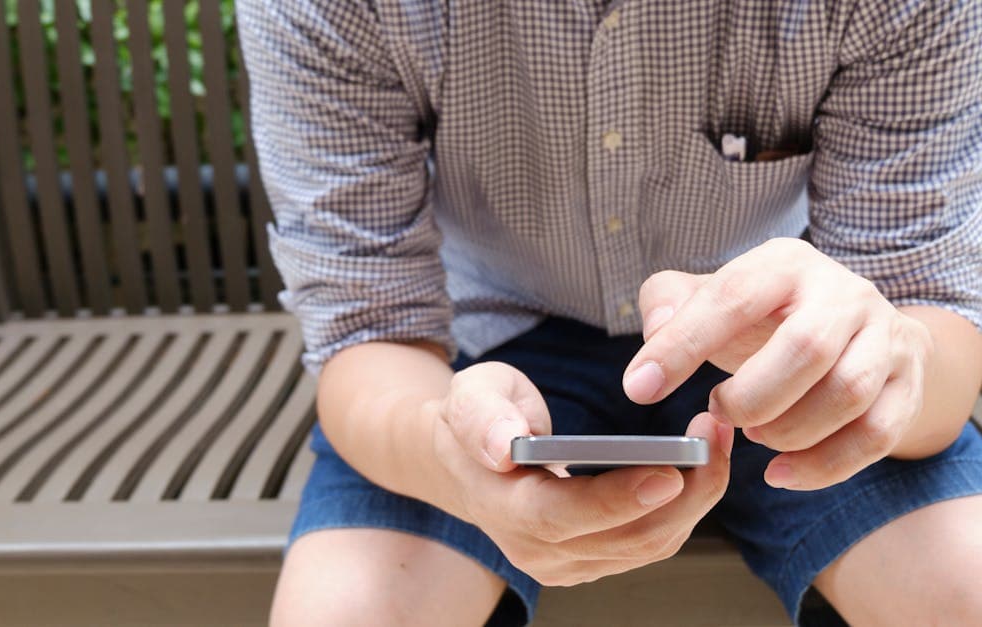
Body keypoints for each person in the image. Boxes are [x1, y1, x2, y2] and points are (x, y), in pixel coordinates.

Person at [237, 0, 982, 624]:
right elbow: (368, 332)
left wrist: (891, 362)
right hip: (479, 359)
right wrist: (445, 454)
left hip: (788, 343)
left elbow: (927, 323)